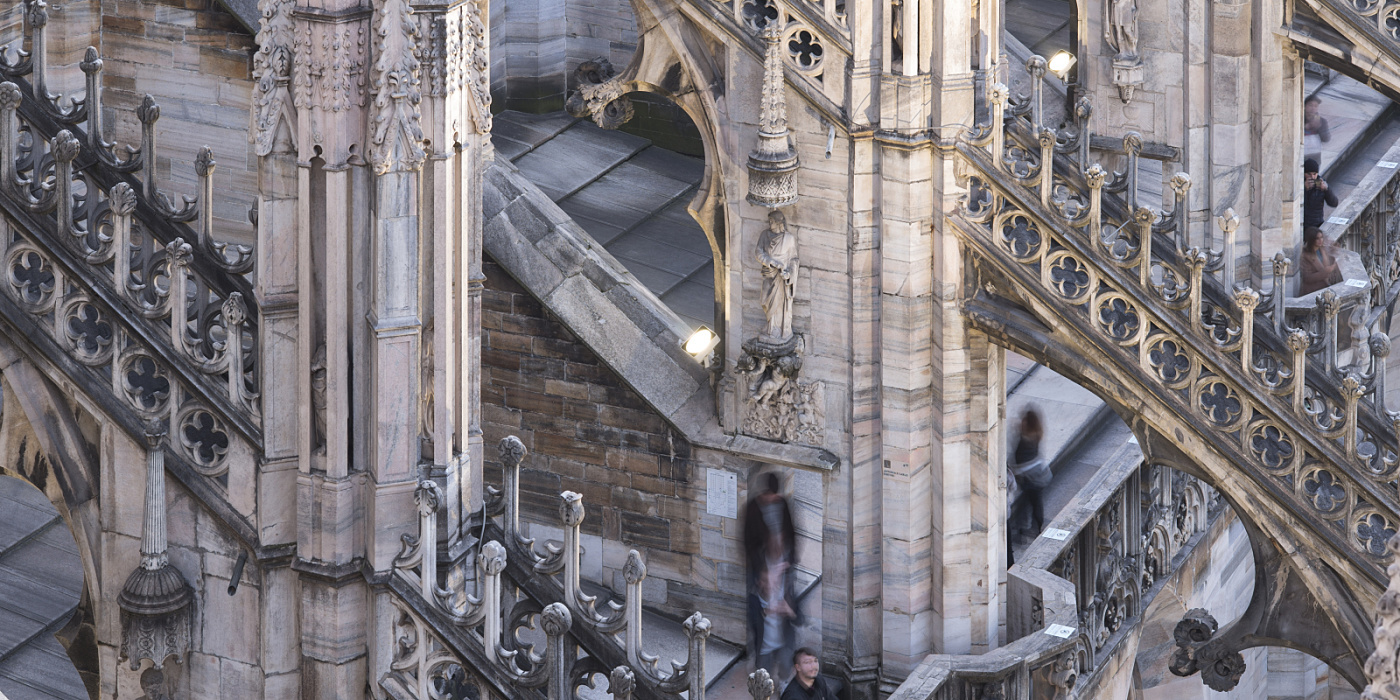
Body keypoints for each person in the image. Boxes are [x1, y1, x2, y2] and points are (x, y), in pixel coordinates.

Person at [744, 472, 801, 679]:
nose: (774, 499)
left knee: (784, 662)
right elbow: (749, 543)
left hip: (779, 565)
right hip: (761, 565)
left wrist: (788, 609)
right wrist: (761, 573)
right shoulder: (753, 508)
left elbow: (791, 532)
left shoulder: (782, 504)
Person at [1009, 409, 1052, 541]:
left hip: (1031, 479)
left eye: (1024, 421)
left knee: (1030, 504)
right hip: (1035, 477)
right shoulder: (1035, 435)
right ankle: (1033, 527)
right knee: (1033, 503)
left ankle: (1026, 529)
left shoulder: (1027, 439)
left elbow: (1022, 460)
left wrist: (1014, 470)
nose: (1021, 422)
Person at [1300, 226, 1341, 295]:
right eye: (1317, 238)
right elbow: (1307, 278)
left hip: (1325, 288)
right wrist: (1325, 271)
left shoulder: (1322, 249)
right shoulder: (1305, 256)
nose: (1320, 240)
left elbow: (1329, 256)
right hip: (1312, 291)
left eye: (1321, 237)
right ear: (1311, 239)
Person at [1303, 158, 1339, 229]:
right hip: (1303, 225)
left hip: (1317, 224)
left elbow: (1334, 203)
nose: (1312, 177)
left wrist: (1326, 190)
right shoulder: (1300, 184)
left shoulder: (1320, 183)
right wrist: (1304, 190)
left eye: (1314, 174)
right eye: (1309, 174)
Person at [1303, 96, 1331, 167]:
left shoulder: (1322, 121)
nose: (1313, 108)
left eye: (1316, 106)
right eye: (1310, 105)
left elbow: (1326, 139)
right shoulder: (1298, 119)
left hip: (1315, 155)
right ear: (1305, 106)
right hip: (1300, 153)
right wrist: (1306, 127)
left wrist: (1319, 127)